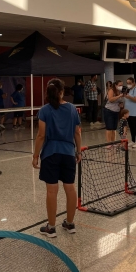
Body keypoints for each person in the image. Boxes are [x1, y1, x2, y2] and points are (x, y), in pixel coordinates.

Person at [32, 79, 82, 238]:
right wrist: (78, 151)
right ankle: (70, 223)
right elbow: (77, 132)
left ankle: (51, 227)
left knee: (52, 190)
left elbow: (41, 135)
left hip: (50, 154)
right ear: (62, 92)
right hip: (68, 153)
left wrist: (35, 156)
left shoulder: (45, 110)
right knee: (70, 188)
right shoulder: (72, 109)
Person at [123, 77, 136, 148]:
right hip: (128, 112)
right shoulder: (128, 90)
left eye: (130, 83)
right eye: (127, 83)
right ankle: (133, 140)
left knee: (135, 126)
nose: (128, 85)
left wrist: (129, 97)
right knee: (131, 126)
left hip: (134, 112)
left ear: (134, 83)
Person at [103, 80, 123, 145]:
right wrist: (119, 96)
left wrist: (121, 104)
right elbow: (111, 99)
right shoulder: (111, 90)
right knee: (109, 128)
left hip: (116, 112)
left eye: (121, 85)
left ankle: (113, 142)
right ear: (115, 85)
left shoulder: (120, 92)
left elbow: (120, 101)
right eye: (119, 85)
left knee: (114, 128)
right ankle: (109, 143)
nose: (121, 86)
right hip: (109, 111)